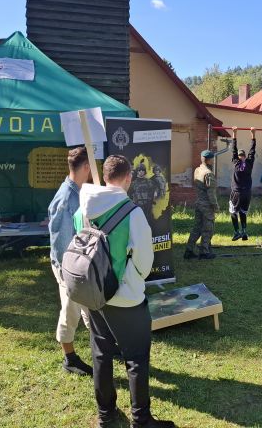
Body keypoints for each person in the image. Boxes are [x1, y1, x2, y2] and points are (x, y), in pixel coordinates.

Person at [74, 155, 175, 428]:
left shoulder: (82, 208)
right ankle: (141, 420)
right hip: (126, 298)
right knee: (136, 358)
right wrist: (132, 280)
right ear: (128, 178)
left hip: (94, 294)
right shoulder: (133, 213)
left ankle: (105, 415)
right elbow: (144, 263)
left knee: (101, 355)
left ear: (105, 176)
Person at [47, 146, 93, 376]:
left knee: (89, 307)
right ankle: (70, 358)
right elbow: (60, 242)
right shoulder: (66, 198)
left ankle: (101, 344)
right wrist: (68, 272)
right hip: (68, 267)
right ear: (86, 166)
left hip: (79, 265)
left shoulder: (79, 192)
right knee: (70, 310)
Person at [184, 150, 218, 261]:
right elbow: (211, 194)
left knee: (197, 228)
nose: (213, 161)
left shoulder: (197, 170)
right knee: (208, 229)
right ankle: (204, 252)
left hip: (198, 203)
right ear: (208, 160)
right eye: (212, 159)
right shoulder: (208, 173)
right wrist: (215, 207)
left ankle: (189, 251)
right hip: (207, 205)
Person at [229, 126, 256, 241]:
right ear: (244, 156)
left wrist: (234, 133)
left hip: (237, 192)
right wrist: (253, 134)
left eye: (239, 155)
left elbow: (233, 149)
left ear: (238, 157)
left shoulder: (236, 162)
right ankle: (244, 232)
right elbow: (252, 150)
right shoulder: (249, 163)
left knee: (233, 211)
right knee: (243, 212)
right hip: (247, 193)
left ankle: (237, 232)